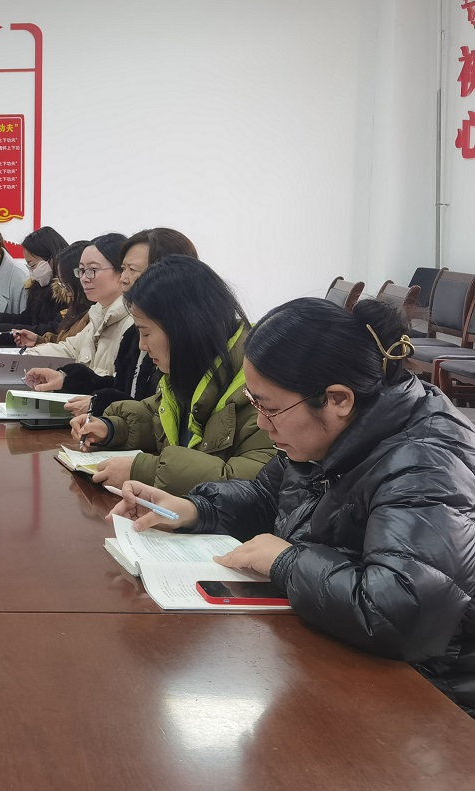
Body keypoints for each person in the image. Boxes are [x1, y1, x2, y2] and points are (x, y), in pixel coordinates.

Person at [111, 298, 475, 717]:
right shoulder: (329, 429)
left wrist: (285, 562)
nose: (261, 423)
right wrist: (195, 510)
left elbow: (400, 612)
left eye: (269, 407)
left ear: (337, 399)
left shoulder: (427, 464)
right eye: (254, 403)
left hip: (430, 698)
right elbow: (269, 498)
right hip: (344, 653)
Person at [70, 255, 274, 493]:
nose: (142, 346)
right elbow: (158, 417)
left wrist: (145, 471)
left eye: (146, 333)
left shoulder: (261, 392)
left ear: (184, 328)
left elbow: (253, 482)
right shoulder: (192, 372)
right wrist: (112, 428)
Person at [61, 228, 199, 417]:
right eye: (123, 268)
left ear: (169, 274)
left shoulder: (188, 341)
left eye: (132, 270)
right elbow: (126, 390)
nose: (123, 279)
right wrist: (67, 379)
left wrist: (101, 406)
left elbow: (158, 414)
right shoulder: (133, 334)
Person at [18, 233, 130, 378]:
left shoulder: (131, 322)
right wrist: (25, 356)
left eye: (92, 270)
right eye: (81, 271)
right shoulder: (97, 313)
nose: (83, 278)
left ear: (121, 271)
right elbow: (70, 349)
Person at [0, 226, 69, 345]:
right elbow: (27, 319)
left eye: (33, 265)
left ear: (52, 258)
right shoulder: (38, 288)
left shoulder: (69, 292)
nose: (32, 273)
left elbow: (52, 329)